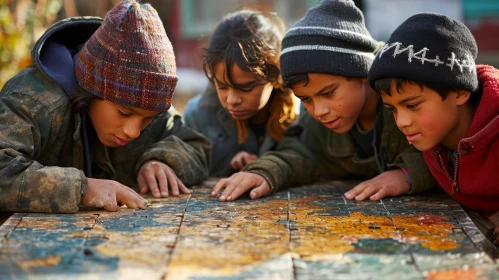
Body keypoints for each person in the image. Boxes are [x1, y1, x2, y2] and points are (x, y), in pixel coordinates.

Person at [210, 0, 436, 202]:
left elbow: (454, 146)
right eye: (305, 99)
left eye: (328, 93)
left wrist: (407, 174)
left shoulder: (408, 95)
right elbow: (300, 153)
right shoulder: (319, 121)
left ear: (362, 73)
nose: (318, 111)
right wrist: (263, 172)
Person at [0, 0, 211, 213]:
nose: (134, 131)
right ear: (92, 88)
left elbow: (195, 145)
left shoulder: (144, 108)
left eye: (147, 119)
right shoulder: (35, 101)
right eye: (124, 112)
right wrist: (82, 189)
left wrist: (162, 161)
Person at [368, 13, 499, 244]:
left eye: (413, 105)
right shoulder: (433, 133)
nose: (401, 122)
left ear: (459, 92)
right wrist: (407, 175)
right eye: (393, 109)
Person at [183, 10, 297, 177]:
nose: (232, 100)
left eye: (246, 88)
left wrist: (268, 167)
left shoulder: (301, 114)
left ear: (274, 76)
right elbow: (188, 168)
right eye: (221, 86)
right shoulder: (197, 117)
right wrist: (227, 167)